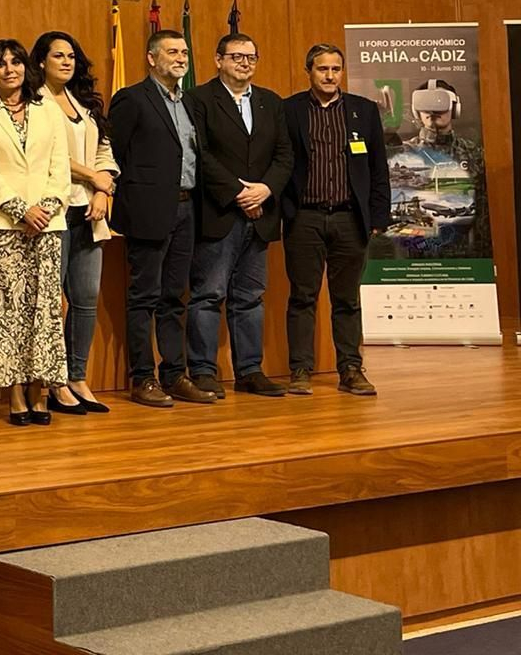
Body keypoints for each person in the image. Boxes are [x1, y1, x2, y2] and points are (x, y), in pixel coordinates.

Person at [0, 38, 70, 426]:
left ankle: (38, 391)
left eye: (16, 62)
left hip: (47, 224)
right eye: (1, 63)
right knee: (7, 311)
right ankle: (13, 392)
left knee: (45, 310)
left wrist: (46, 208)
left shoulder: (48, 110)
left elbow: (60, 167)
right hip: (3, 224)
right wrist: (21, 209)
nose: (10, 69)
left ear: (27, 67)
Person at [186, 32, 293, 400]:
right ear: (219, 60)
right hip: (219, 212)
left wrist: (265, 189)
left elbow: (284, 155)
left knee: (250, 296)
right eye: (236, 57)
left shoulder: (270, 101)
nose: (245, 63)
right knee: (208, 294)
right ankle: (203, 371)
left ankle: (249, 371)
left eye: (251, 57)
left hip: (261, 213)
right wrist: (238, 193)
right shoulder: (198, 99)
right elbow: (201, 154)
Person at [282, 43, 389, 397]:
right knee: (302, 297)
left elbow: (378, 169)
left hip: (350, 219)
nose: (330, 76)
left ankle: (351, 370)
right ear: (309, 71)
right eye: (322, 69)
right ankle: (300, 370)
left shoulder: (363, 110)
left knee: (347, 300)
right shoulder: (289, 110)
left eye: (336, 69)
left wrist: (378, 216)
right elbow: (281, 163)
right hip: (305, 218)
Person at [31, 30, 118, 415]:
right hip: (54, 212)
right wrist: (91, 176)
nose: (66, 62)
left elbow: (104, 150)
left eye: (71, 56)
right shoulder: (34, 103)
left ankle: (77, 376)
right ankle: (53, 382)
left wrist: (102, 190)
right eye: (58, 56)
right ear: (41, 62)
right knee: (52, 301)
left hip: (89, 211)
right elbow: (45, 155)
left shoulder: (83, 102)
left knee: (85, 298)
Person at [108, 30, 196, 409]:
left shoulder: (190, 102)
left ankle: (175, 374)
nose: (180, 58)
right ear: (151, 58)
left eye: (184, 52)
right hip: (148, 211)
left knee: (174, 297)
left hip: (187, 209)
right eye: (172, 52)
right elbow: (115, 154)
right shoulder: (132, 99)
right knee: (144, 297)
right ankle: (143, 377)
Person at [404, 78, 490, 259]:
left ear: (454, 108)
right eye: (425, 104)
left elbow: (484, 214)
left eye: (440, 102)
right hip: (415, 260)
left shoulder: (474, 154)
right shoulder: (403, 154)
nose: (432, 111)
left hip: (464, 257)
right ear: (416, 110)